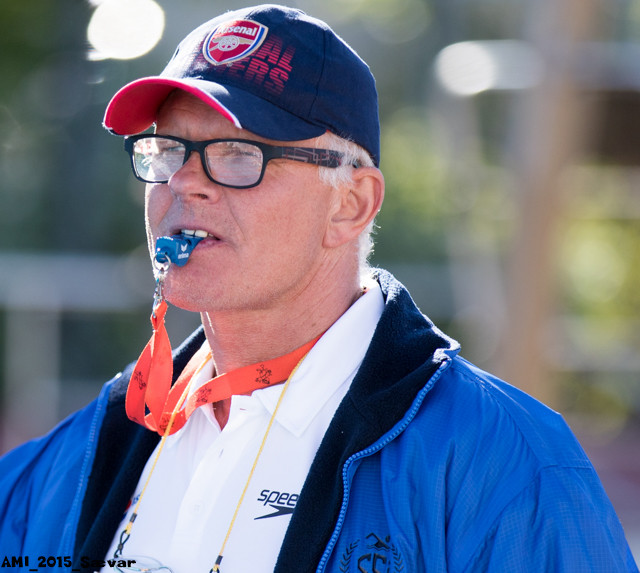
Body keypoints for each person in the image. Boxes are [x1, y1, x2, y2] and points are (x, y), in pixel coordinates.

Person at [0, 4, 637, 572]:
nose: (185, 183)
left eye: (238, 153)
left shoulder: (500, 463)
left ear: (351, 204)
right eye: (167, 150)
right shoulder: (64, 467)